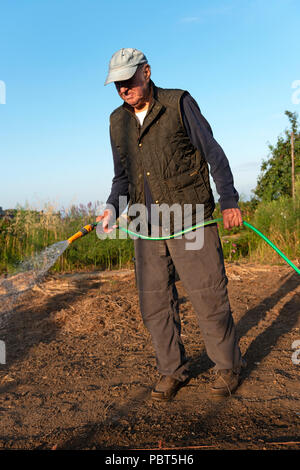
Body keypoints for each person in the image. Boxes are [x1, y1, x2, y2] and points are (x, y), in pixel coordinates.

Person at [97, 48, 246, 401]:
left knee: (208, 295)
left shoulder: (179, 102)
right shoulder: (117, 121)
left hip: (190, 219)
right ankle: (172, 371)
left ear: (146, 73)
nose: (123, 89)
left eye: (128, 81)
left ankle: (227, 367)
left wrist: (228, 200)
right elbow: (123, 178)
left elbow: (212, 151)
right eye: (117, 84)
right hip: (144, 225)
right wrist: (111, 208)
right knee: (155, 303)